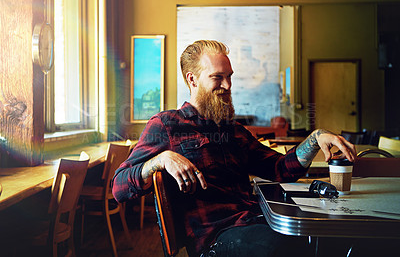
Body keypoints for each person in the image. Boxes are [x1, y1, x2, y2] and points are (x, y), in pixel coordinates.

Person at [112, 40, 357, 256]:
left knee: (332, 238)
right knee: (287, 248)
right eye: (217, 77)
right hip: (216, 239)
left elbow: (280, 169)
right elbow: (119, 187)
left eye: (230, 76)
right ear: (192, 79)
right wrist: (160, 160)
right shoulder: (166, 125)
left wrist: (314, 138)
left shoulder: (232, 130)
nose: (228, 85)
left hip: (256, 220)